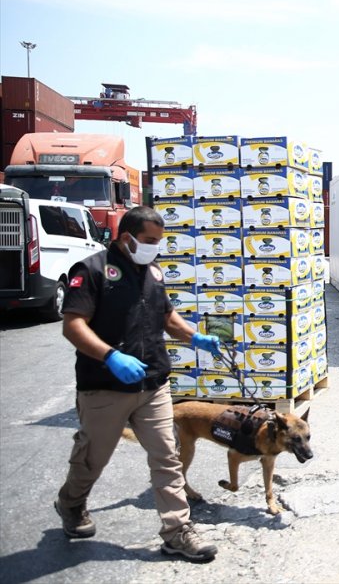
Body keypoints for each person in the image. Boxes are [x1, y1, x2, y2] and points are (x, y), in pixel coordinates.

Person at [55, 206, 222, 563]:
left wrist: (195, 337)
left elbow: (167, 317)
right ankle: (71, 503)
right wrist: (110, 357)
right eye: (149, 241)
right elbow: (73, 325)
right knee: (92, 458)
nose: (154, 248)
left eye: (159, 242)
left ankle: (177, 532)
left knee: (166, 457)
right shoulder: (93, 270)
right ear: (126, 237)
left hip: (153, 384)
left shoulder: (153, 273)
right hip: (104, 386)